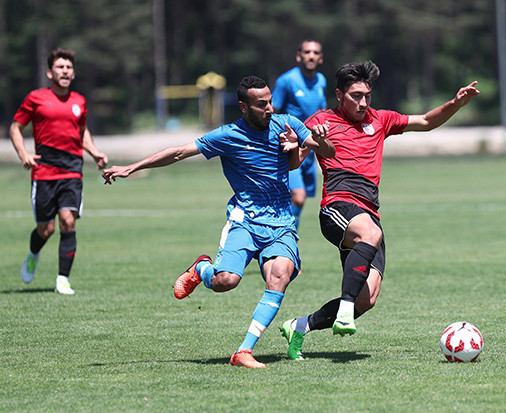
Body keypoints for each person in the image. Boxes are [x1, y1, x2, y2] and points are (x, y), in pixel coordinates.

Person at [102, 76, 334, 368]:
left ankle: (244, 351)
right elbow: (178, 152)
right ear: (243, 107)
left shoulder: (286, 124)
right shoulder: (228, 135)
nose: (269, 109)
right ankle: (201, 269)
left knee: (280, 276)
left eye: (270, 102)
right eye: (261, 104)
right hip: (246, 221)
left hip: (281, 223)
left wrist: (316, 140)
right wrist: (132, 167)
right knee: (226, 281)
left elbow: (327, 151)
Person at [279, 60, 479, 360]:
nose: (363, 103)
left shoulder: (380, 119)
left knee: (367, 299)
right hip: (337, 205)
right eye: (356, 96)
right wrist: (299, 145)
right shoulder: (321, 121)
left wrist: (456, 103)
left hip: (368, 211)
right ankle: (345, 310)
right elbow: (294, 163)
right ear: (339, 95)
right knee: (370, 236)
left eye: (367, 96)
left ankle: (300, 326)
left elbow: (426, 121)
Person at [10, 48, 108, 295]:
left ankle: (63, 279)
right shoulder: (36, 98)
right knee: (46, 230)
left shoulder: (79, 101)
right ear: (49, 72)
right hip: (43, 171)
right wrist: (24, 154)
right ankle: (33, 253)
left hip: (72, 170)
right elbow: (15, 128)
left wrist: (94, 152)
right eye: (60, 67)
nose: (65, 71)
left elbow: (82, 131)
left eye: (69, 67)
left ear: (73, 73)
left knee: (68, 221)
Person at [272, 39, 327, 229]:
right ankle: (286, 238)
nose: (311, 56)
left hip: (310, 148)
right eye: (307, 52)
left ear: (321, 58)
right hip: (290, 148)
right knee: (298, 196)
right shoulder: (286, 81)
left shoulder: (321, 81)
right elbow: (271, 113)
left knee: (297, 199)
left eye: (315, 53)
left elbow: (322, 112)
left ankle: (283, 234)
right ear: (298, 56)